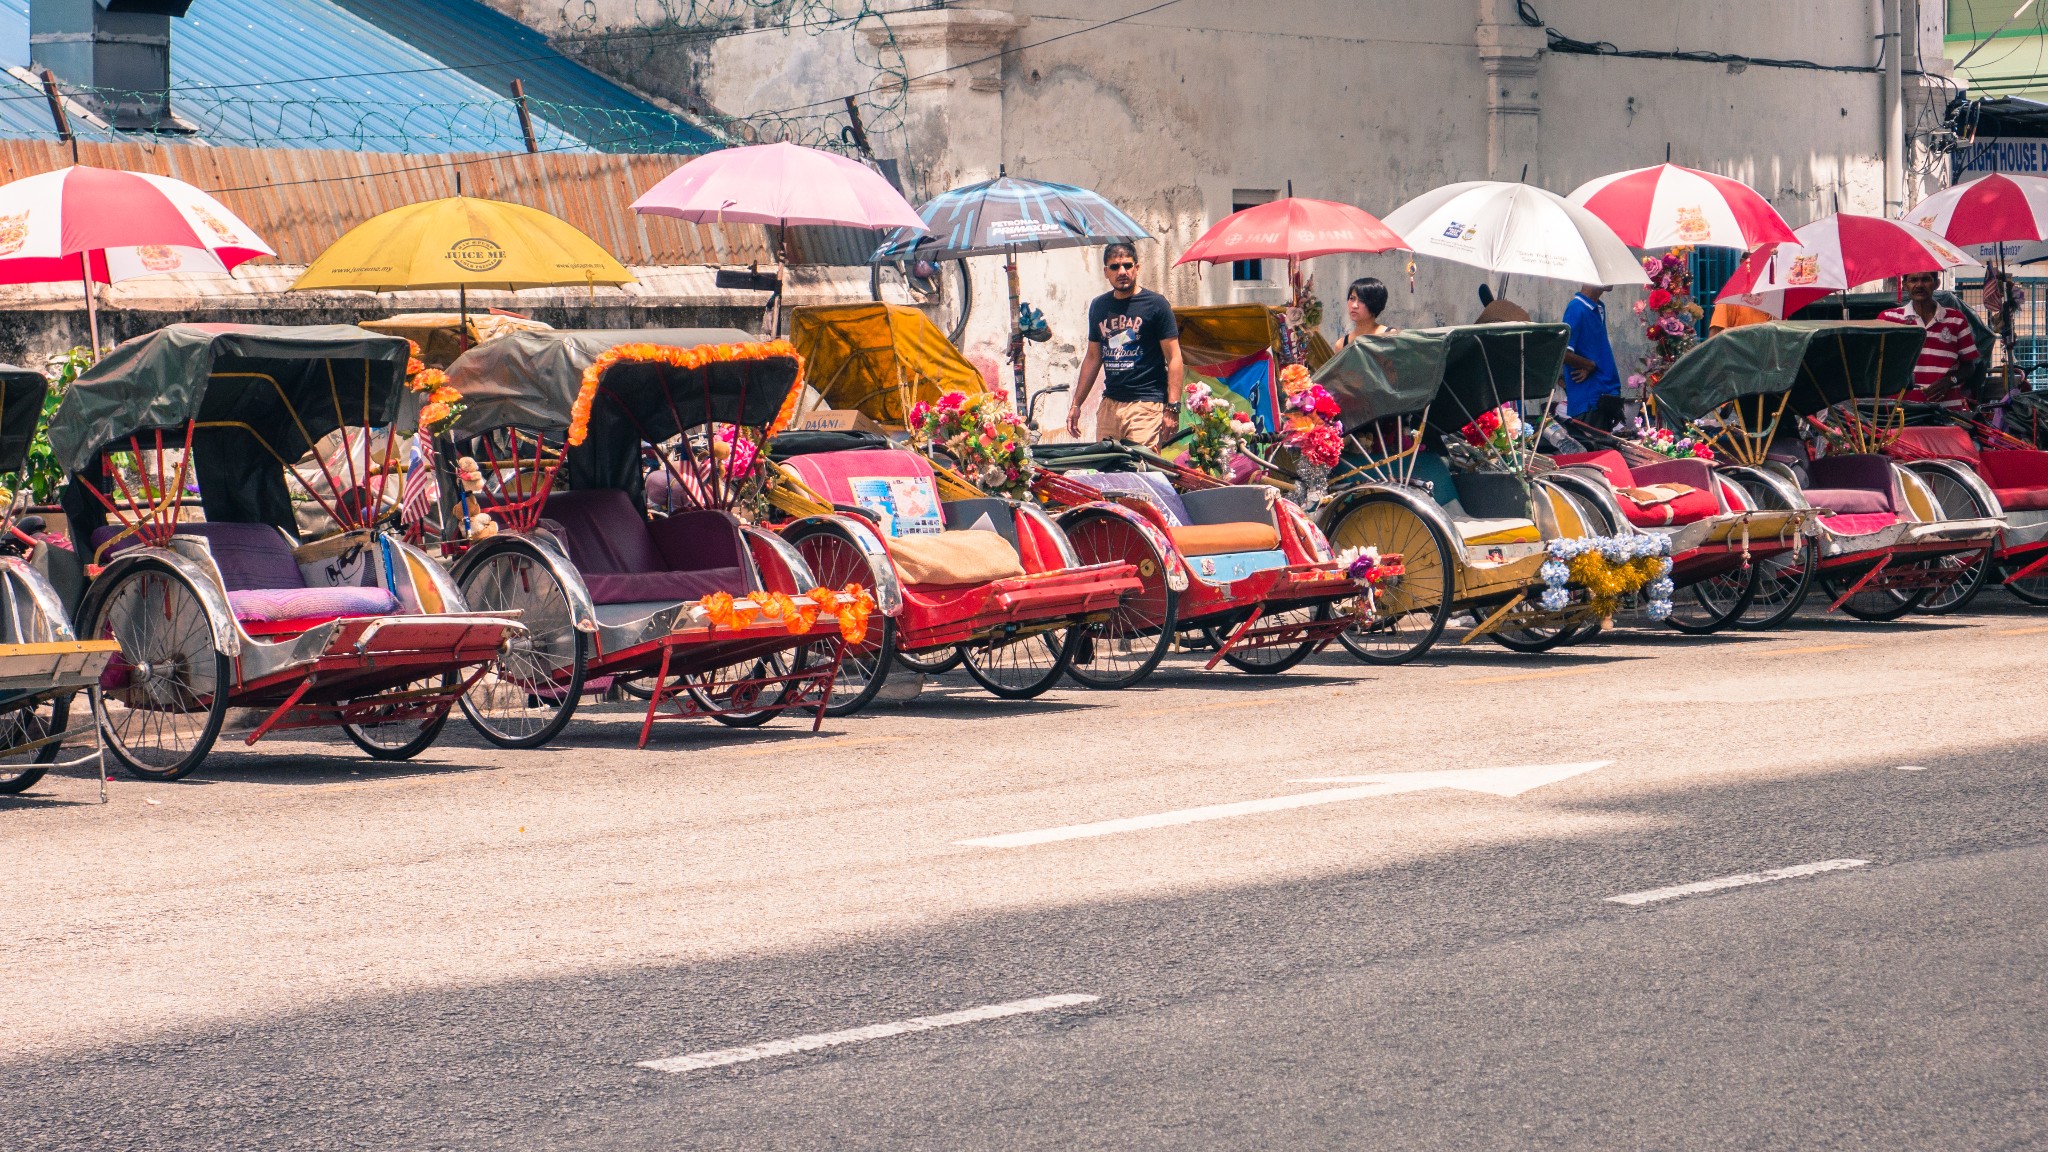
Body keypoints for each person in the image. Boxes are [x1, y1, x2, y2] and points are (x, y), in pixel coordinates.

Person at [1067, 242, 1182, 449]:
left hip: (1146, 404)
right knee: (1108, 470)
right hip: (1110, 404)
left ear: (1137, 268)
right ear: (1106, 272)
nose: (1122, 272)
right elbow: (1093, 357)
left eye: (1127, 266)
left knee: (1140, 469)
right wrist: (1077, 405)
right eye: (1115, 267)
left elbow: (1174, 357)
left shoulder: (1156, 304)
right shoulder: (1099, 306)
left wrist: (1172, 408)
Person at [1879, 271, 1980, 409]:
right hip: (1900, 410)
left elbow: (1969, 366)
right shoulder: (1888, 319)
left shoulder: (1956, 319)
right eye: (1913, 280)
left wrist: (1950, 380)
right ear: (1904, 285)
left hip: (1947, 409)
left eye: (1926, 279)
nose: (1919, 285)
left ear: (1936, 284)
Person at [1559, 284, 1620, 417]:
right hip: (1590, 399)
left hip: (1606, 392)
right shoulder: (1576, 308)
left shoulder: (1598, 307)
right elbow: (1563, 352)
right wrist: (1589, 365)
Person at [1335, 276, 1396, 350]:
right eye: (1352, 298)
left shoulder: (1391, 336)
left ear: (1375, 303)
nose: (1354, 306)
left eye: (1362, 300)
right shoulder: (1341, 345)